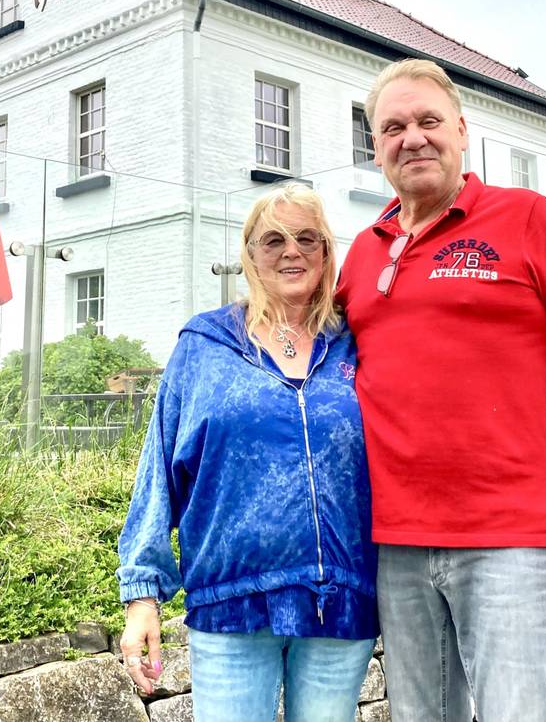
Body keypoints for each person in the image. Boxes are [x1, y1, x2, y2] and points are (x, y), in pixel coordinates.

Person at [336, 59, 546, 722]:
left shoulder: (524, 217)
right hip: (395, 544)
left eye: (427, 121)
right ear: (376, 147)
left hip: (508, 540)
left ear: (462, 131)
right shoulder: (362, 254)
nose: (411, 137)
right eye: (392, 127)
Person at [118, 183, 378, 722]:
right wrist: (143, 594)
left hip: (340, 603)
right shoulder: (206, 344)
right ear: (250, 255)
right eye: (273, 239)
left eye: (308, 238)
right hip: (232, 603)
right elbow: (159, 470)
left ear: (328, 253)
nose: (291, 251)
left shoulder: (357, 341)